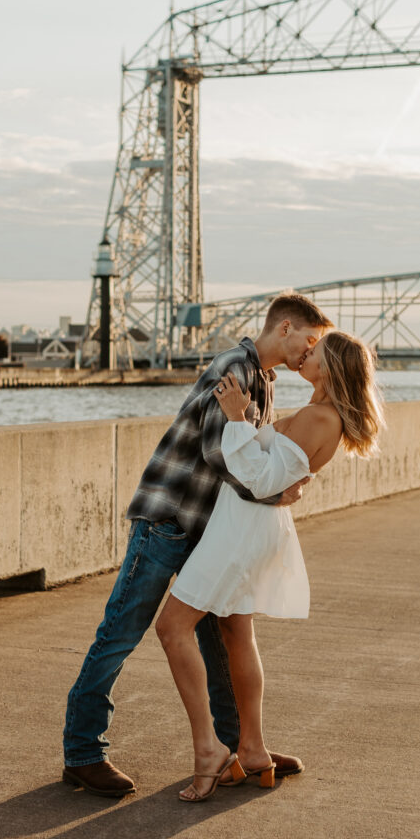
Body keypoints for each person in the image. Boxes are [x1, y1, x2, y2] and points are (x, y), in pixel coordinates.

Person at [62, 292, 334, 796]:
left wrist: (277, 480)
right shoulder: (235, 366)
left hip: (206, 526)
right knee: (122, 631)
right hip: (169, 518)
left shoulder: (263, 380)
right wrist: (275, 491)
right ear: (287, 328)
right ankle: (82, 752)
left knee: (220, 640)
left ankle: (238, 746)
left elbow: (248, 448)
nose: (309, 352)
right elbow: (218, 451)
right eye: (310, 340)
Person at [156, 330, 383, 801]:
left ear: (331, 368)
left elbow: (258, 479)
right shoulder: (318, 415)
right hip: (251, 527)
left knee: (172, 627)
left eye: (315, 353)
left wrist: (238, 417)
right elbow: (272, 472)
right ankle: (253, 749)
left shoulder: (320, 417)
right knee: (237, 632)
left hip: (240, 530)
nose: (306, 354)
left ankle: (207, 751)